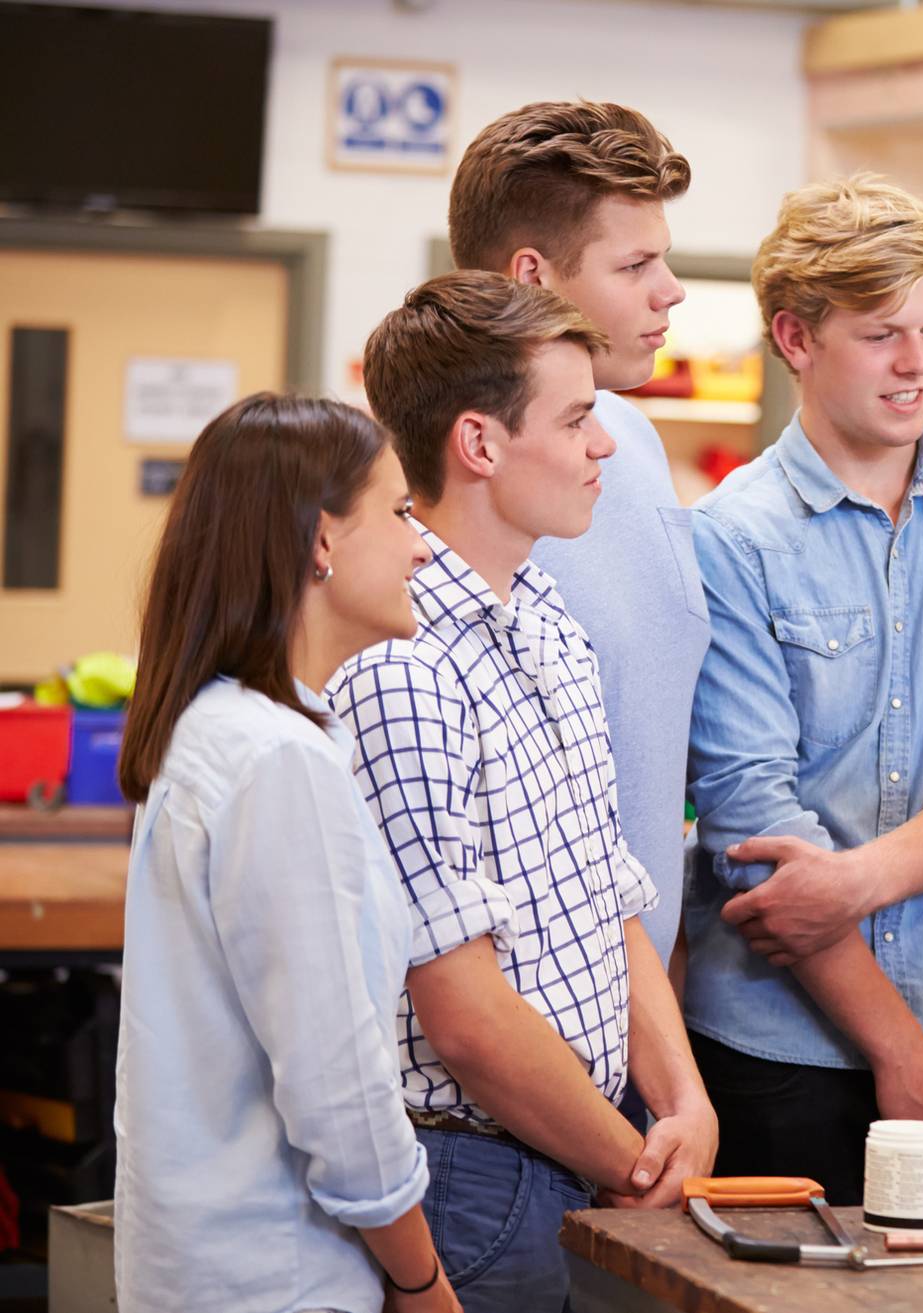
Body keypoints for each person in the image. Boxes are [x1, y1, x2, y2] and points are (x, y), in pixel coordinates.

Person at [683, 175, 923, 1204]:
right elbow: (752, 819)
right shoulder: (729, 541)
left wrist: (857, 880)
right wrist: (896, 1051)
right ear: (796, 338)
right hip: (775, 1049)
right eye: (882, 333)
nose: (918, 365)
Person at [335, 271, 717, 1311]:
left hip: (580, 1154)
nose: (606, 446)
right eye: (580, 417)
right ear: (479, 444)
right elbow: (461, 1012)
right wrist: (635, 1161)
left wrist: (683, 1096)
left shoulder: (546, 609)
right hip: (472, 1177)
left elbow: (606, 887)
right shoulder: (402, 660)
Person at [114, 393, 458, 1313]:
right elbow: (338, 1090)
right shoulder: (278, 760)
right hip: (279, 1275)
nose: (421, 546)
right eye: (397, 513)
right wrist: (421, 1278)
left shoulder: (223, 729)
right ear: (320, 540)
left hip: (205, 1265)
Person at [449, 99, 705, 968]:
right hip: (504, 1037)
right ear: (532, 276)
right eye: (635, 265)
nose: (670, 291)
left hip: (631, 1007)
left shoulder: (629, 439)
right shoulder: (441, 480)